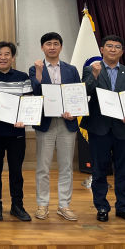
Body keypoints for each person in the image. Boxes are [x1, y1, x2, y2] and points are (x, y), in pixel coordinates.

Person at [82, 34, 125, 223]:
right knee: (99, 170)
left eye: (117, 47)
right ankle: (101, 207)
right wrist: (94, 75)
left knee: (124, 171)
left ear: (122, 52)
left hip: (124, 128)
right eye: (109, 46)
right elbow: (85, 92)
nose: (113, 49)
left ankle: (123, 207)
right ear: (102, 49)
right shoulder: (91, 69)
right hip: (99, 127)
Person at [29, 32, 81, 221]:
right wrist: (39, 72)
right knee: (43, 167)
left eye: (56, 43)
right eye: (48, 44)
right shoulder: (35, 68)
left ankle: (64, 205)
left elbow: (77, 94)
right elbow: (36, 93)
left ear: (61, 47)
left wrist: (74, 111)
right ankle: (42, 204)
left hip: (67, 122)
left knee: (66, 166)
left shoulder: (71, 69)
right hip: (46, 123)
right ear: (42, 47)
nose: (52, 47)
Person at [0, 41, 33, 222]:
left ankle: (17, 205)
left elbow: (28, 103)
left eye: (7, 54)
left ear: (13, 57)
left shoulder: (23, 77)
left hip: (16, 132)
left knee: (16, 171)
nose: (3, 57)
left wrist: (24, 119)